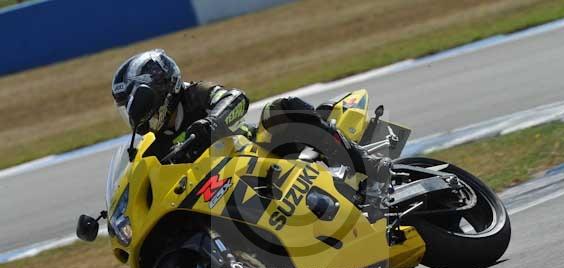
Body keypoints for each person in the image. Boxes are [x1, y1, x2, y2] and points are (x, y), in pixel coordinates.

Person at [111, 49, 390, 198]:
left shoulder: (194, 94)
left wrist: (211, 123)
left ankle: (367, 166)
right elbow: (142, 176)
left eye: (135, 104)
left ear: (156, 93)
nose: (134, 115)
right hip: (219, 190)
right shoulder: (152, 143)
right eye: (128, 109)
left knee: (282, 107)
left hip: (260, 152)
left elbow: (237, 99)